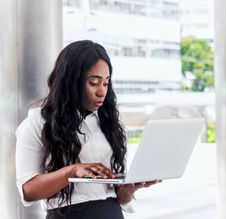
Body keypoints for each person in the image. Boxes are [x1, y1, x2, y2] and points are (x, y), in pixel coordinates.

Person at [15, 40, 161, 219]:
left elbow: (120, 199)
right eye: (94, 83)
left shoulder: (111, 125)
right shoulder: (38, 121)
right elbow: (28, 190)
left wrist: (130, 188)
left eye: (106, 83)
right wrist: (72, 171)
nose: (102, 92)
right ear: (70, 82)